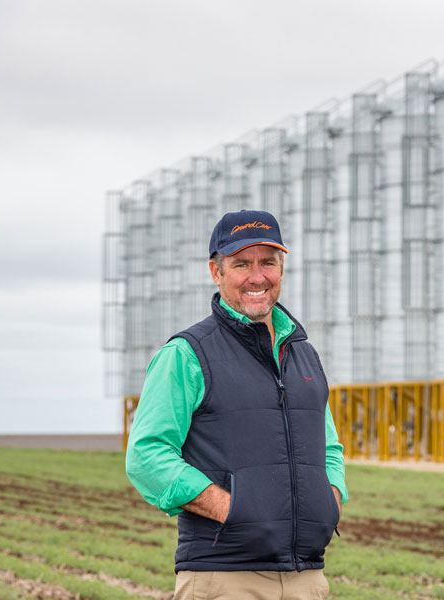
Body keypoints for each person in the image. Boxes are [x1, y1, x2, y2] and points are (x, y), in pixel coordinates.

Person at [126, 209, 346, 600]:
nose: (257, 277)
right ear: (216, 271)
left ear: (282, 268)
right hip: (224, 577)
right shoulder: (188, 354)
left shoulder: (303, 354)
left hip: (307, 577)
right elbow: (147, 454)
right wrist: (233, 509)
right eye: (242, 263)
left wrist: (330, 499)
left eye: (268, 262)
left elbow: (327, 445)